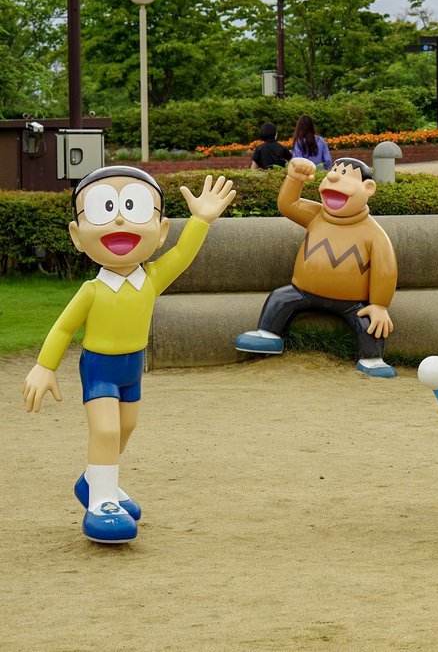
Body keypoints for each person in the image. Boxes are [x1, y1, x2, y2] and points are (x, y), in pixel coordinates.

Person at [22, 167, 236, 543]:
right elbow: (63, 328)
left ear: (161, 231)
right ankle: (102, 500)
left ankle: (94, 480)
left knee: (125, 427)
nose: (120, 218)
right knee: (104, 429)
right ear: (77, 235)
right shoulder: (92, 290)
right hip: (100, 367)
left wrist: (201, 219)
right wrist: (44, 366)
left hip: (131, 366)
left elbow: (184, 254)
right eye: (105, 210)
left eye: (134, 209)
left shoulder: (151, 279)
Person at [234, 156, 398, 377]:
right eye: (333, 171)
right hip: (302, 292)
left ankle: (371, 358)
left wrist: (379, 305)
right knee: (280, 298)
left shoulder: (374, 234)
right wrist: (294, 179)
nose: (331, 176)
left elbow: (385, 270)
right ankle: (269, 334)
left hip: (352, 304)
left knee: (369, 323)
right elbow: (288, 205)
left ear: (368, 188)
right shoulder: (317, 215)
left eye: (343, 175)